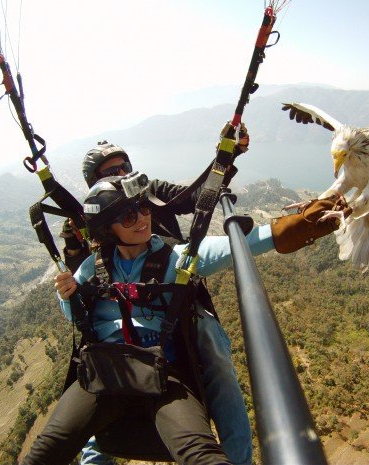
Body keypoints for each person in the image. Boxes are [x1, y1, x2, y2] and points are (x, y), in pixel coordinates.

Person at [21, 174, 350, 465]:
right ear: (108, 229)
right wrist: (67, 294)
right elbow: (76, 317)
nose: (142, 219)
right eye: (129, 215)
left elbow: (242, 245)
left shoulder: (177, 258)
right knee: (48, 449)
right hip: (103, 378)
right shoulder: (93, 267)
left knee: (200, 453)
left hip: (162, 375)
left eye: (145, 208)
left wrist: (309, 221)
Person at [61, 134, 255, 465]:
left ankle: (239, 459)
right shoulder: (85, 221)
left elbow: (194, 197)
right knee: (92, 368)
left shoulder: (148, 192)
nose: (122, 174)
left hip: (176, 301)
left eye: (125, 167)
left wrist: (227, 157)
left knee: (216, 357)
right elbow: (82, 282)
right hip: (118, 317)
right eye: (112, 171)